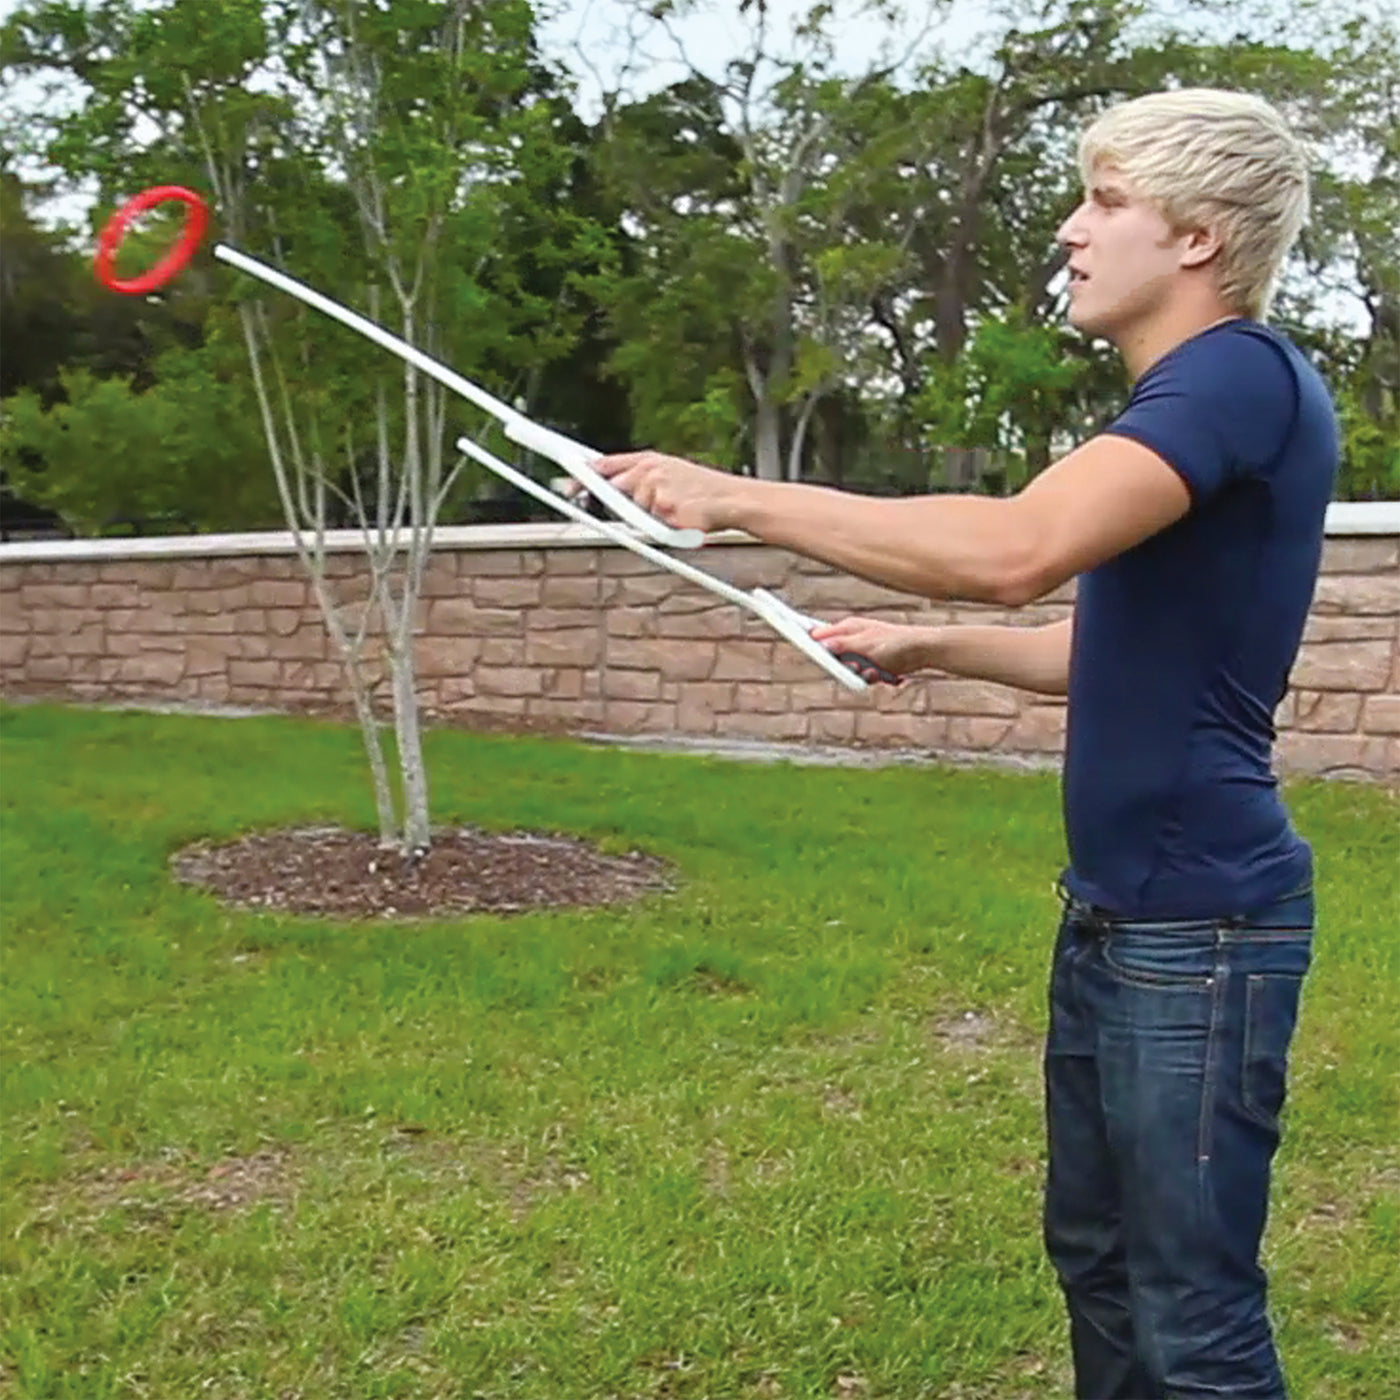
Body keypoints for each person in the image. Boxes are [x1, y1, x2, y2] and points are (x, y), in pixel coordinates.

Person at [593, 89, 1339, 1398]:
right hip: (1123, 917)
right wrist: (924, 646)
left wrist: (731, 498)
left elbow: (1012, 552)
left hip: (1200, 929)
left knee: (1192, 1318)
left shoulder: (1232, 375)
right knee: (1100, 1262)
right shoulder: (1194, 410)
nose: (1070, 230)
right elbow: (1098, 655)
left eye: (1106, 203)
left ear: (1202, 239)